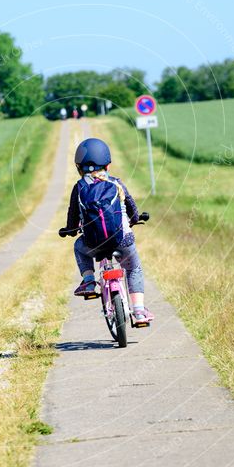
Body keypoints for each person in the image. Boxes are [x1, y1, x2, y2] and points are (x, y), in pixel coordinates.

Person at [61, 137, 154, 326]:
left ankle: (88, 280)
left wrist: (70, 230)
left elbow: (72, 216)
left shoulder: (79, 188)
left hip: (93, 243)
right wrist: (135, 219)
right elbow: (131, 207)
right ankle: (138, 311)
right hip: (123, 241)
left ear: (78, 166)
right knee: (133, 267)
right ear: (108, 164)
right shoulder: (116, 183)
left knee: (79, 246)